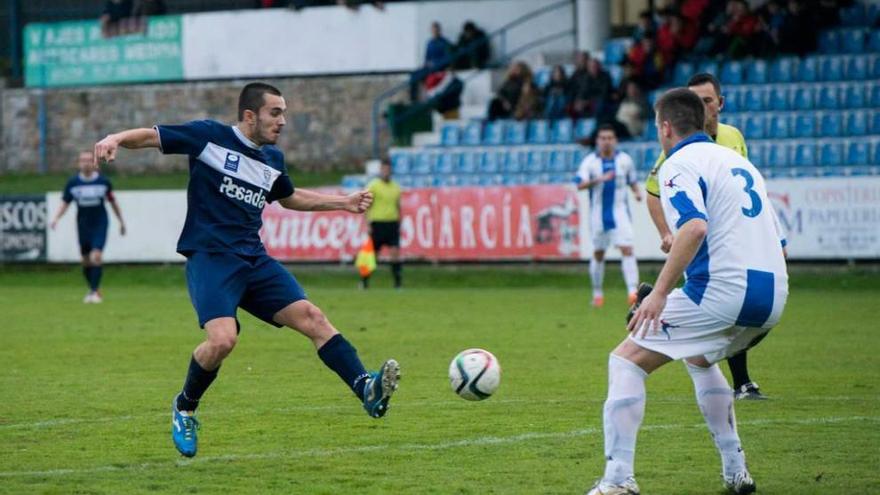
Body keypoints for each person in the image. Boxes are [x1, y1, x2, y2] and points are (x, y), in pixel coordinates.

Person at [92, 82, 400, 458]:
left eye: (284, 113)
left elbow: (289, 198)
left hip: (253, 259)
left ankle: (365, 387)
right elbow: (153, 137)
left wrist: (343, 202)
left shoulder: (273, 160)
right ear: (250, 115)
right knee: (222, 341)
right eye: (275, 112)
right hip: (211, 257)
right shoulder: (210, 137)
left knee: (313, 318)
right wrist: (115, 138)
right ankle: (185, 407)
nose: (283, 121)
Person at [586, 88, 788, 495]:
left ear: (665, 127)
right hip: (774, 297)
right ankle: (736, 471)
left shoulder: (677, 163)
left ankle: (618, 480)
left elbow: (695, 227)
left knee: (626, 361)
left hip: (724, 292)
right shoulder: (739, 163)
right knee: (698, 358)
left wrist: (659, 293)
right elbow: (779, 241)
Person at [644, 72, 771, 401]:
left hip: (733, 242)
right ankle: (740, 383)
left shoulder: (732, 139)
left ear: (720, 104)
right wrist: (667, 232)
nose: (701, 106)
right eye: (695, 100)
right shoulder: (675, 154)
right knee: (720, 315)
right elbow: (653, 192)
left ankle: (738, 382)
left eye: (707, 100)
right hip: (706, 249)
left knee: (628, 360)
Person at [574, 124, 642, 308]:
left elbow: (632, 181)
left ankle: (632, 293)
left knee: (627, 249)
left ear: (615, 140)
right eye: (603, 138)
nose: (606, 142)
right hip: (598, 216)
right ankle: (597, 293)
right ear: (597, 141)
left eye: (609, 138)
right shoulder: (590, 162)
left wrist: (637, 192)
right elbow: (579, 185)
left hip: (621, 214)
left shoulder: (625, 160)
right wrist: (599, 180)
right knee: (598, 253)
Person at [49, 150, 126, 304]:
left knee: (96, 256)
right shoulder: (73, 183)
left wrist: (121, 221)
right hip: (83, 225)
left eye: (89, 160)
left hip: (100, 224)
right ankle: (94, 289)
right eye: (83, 160)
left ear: (95, 163)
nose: (86, 163)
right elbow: (65, 203)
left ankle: (94, 292)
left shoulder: (103, 182)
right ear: (78, 163)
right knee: (85, 261)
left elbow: (113, 202)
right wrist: (56, 218)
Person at [362, 160, 403, 289]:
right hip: (377, 223)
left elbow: (398, 206)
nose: (386, 172)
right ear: (380, 170)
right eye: (383, 169)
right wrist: (367, 224)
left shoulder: (396, 187)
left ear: (391, 171)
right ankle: (365, 283)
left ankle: (398, 284)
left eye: (388, 170)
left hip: (392, 223)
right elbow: (366, 205)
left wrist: (399, 221)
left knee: (395, 254)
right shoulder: (373, 186)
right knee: (373, 256)